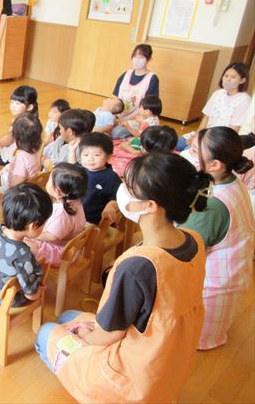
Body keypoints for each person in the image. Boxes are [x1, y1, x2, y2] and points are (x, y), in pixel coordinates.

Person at [35, 152, 212, 403]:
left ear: (150, 206)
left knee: (46, 332)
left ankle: (89, 389)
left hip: (130, 377)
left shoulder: (137, 267)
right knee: (67, 317)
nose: (122, 191)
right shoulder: (194, 240)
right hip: (168, 359)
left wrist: (83, 334)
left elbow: (108, 335)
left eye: (129, 187)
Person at [180, 127, 254, 350]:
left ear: (214, 165)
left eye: (194, 151)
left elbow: (183, 249)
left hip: (211, 292)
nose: (188, 153)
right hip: (233, 279)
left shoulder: (214, 205)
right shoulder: (232, 181)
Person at [0, 182, 52, 307]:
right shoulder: (23, 255)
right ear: (33, 226)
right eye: (44, 224)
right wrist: (40, 291)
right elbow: (31, 295)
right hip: (3, 299)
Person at [25, 163, 88, 267]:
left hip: (61, 252)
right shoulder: (76, 201)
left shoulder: (62, 214)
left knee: (23, 243)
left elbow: (52, 237)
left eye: (49, 180)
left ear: (58, 191)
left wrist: (33, 235)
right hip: (68, 245)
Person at [178, 62, 251, 151]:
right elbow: (206, 117)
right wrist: (197, 135)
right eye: (226, 76)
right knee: (176, 143)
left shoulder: (244, 100)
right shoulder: (218, 93)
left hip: (219, 141)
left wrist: (203, 141)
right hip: (205, 134)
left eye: (233, 77)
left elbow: (234, 129)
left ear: (242, 80)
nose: (228, 79)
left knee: (188, 151)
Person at [111, 44, 159, 139]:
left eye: (141, 57)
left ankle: (133, 137)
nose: (137, 60)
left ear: (149, 59)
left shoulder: (152, 79)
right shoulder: (126, 74)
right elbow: (116, 98)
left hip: (138, 118)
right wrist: (115, 115)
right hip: (120, 113)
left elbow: (147, 108)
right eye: (135, 57)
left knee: (116, 133)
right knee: (101, 119)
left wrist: (123, 119)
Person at [78, 132, 122, 225]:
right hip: (76, 214)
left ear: (108, 157)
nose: (90, 159)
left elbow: (119, 195)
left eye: (96, 155)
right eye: (86, 155)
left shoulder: (110, 177)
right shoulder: (80, 170)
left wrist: (111, 205)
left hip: (93, 221)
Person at [0, 85, 38, 165]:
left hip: (15, 158)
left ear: (29, 107)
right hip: (26, 156)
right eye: (12, 102)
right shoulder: (33, 120)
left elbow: (3, 143)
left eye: (17, 103)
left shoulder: (20, 123)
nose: (13, 106)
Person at [0, 113, 43, 188]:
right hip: (33, 182)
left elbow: (17, 183)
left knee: (3, 176)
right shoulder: (38, 148)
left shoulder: (22, 157)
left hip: (21, 190)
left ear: (16, 137)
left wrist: (10, 187)